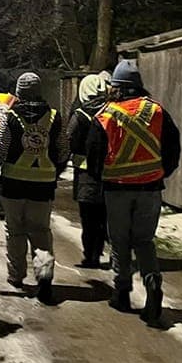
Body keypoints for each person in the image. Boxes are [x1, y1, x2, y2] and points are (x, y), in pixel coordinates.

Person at [84, 59, 181, 325]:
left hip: (116, 190)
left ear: (116, 87)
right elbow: (173, 148)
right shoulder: (158, 112)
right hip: (150, 188)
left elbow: (93, 155)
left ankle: (122, 291)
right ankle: (152, 281)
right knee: (144, 240)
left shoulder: (105, 116)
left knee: (119, 241)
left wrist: (101, 178)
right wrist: (161, 173)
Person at [0, 71, 69, 303]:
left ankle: (16, 276)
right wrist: (54, 172)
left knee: (15, 231)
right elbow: (63, 150)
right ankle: (44, 276)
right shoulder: (54, 117)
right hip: (42, 188)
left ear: (19, 93)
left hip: (12, 186)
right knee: (40, 232)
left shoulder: (11, 118)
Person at [67, 72, 111, 268]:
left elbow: (67, 141)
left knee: (88, 218)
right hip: (108, 171)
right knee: (103, 215)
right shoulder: (111, 111)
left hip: (85, 173)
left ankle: (90, 256)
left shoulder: (79, 115)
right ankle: (101, 250)